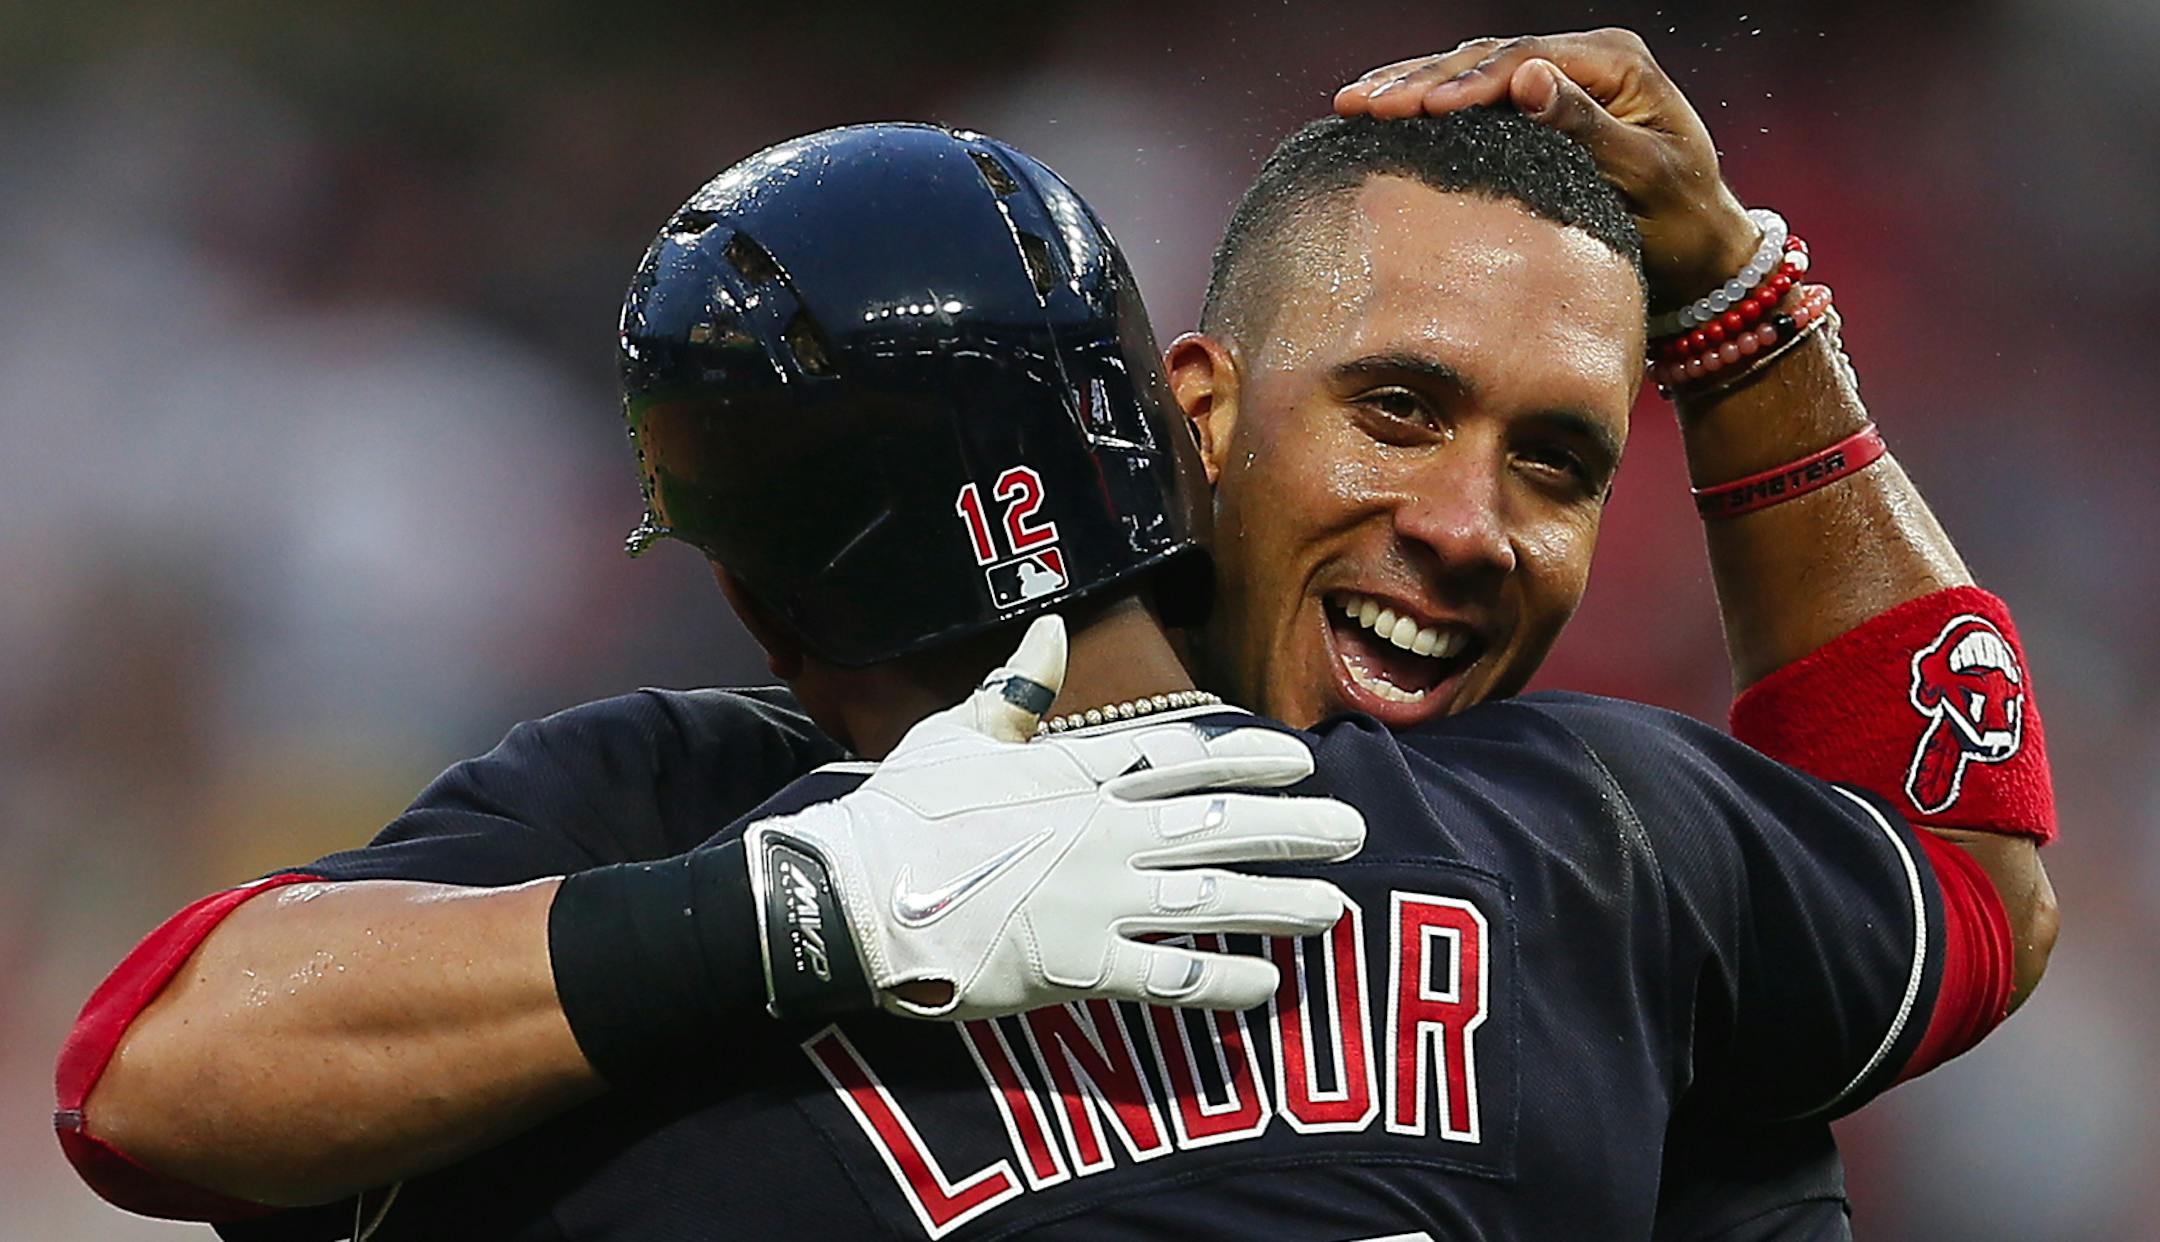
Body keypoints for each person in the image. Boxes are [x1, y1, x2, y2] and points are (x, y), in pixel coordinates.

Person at [59, 29, 2057, 1240]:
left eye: (1550, 459)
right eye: (1397, 410)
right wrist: (798, 916)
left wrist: (1742, 302)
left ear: (737, 568)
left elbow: (1963, 883)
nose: (1458, 529)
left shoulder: (1594, 827)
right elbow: (152, 1078)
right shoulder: (672, 814)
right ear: (1179, 419)